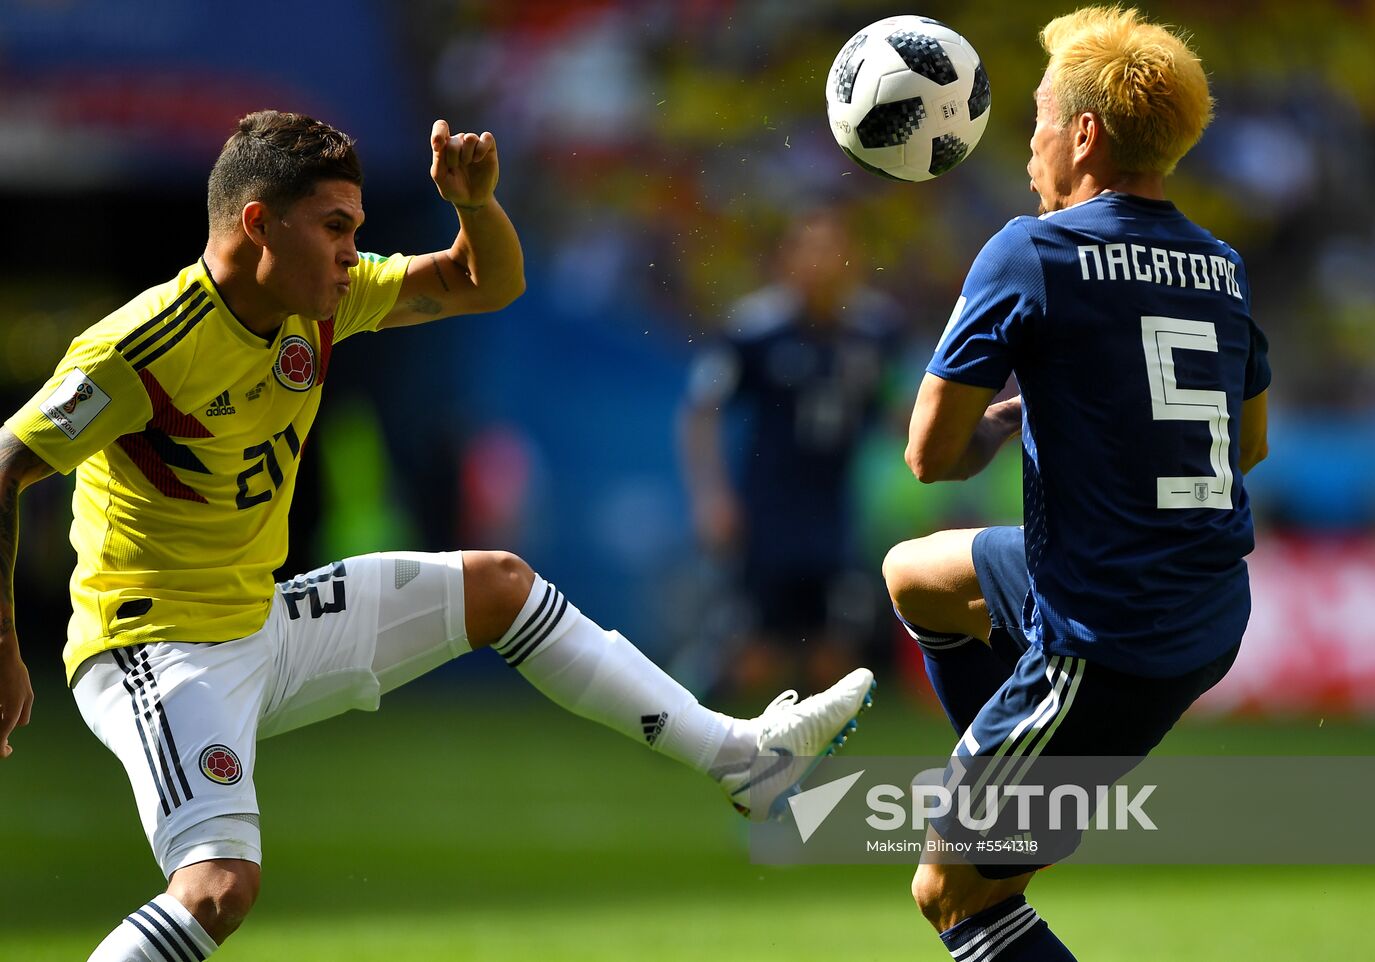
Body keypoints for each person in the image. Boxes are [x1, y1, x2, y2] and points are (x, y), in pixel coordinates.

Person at [0, 111, 876, 962]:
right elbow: (8, 467)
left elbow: (484, 282)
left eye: (358, 229)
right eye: (336, 227)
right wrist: (4, 647)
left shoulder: (323, 306)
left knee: (498, 585)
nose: (352, 252)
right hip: (155, 648)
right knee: (217, 890)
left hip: (259, 621)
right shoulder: (138, 347)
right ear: (259, 224)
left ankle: (743, 760)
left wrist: (474, 205)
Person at [880, 7, 1270, 960]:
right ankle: (1032, 787)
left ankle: (1021, 807)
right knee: (915, 577)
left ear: (1084, 134)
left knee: (952, 893)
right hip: (1205, 599)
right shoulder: (1221, 269)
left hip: (1112, 627)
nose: (1028, 150)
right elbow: (1247, 446)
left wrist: (1016, 415)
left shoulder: (1032, 251)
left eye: (1039, 120)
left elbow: (930, 455)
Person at [681, 209, 899, 696]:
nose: (820, 261)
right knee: (760, 654)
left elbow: (895, 410)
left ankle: (810, 767)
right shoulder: (755, 331)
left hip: (837, 510)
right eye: (809, 248)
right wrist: (711, 497)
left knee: (836, 657)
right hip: (769, 513)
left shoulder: (877, 331)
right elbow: (702, 411)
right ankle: (703, 710)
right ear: (787, 259)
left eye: (832, 248)